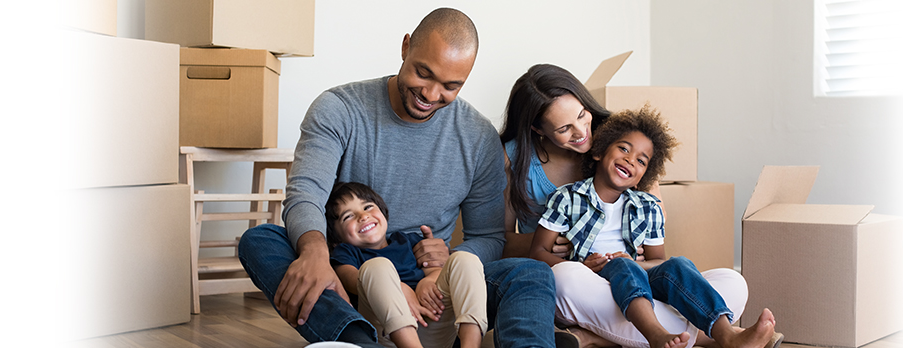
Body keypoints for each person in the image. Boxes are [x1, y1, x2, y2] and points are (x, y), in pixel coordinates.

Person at [237, 8, 565, 348]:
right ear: (406, 47)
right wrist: (316, 253)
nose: (432, 94)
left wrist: (444, 263)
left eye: (451, 86)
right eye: (424, 73)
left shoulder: (479, 137)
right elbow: (306, 192)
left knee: (531, 273)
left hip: (434, 294)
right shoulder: (339, 108)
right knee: (261, 241)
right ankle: (359, 338)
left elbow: (488, 236)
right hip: (354, 282)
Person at [498, 64, 756, 348]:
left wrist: (641, 259)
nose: (583, 131)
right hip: (581, 279)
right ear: (538, 129)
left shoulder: (620, 138)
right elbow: (506, 243)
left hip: (636, 278)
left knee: (732, 282)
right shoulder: (526, 167)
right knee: (566, 278)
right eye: (564, 128)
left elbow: (657, 248)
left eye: (582, 115)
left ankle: (595, 337)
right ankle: (704, 337)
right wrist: (564, 246)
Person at [528, 107, 783, 348]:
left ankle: (726, 334)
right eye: (624, 149)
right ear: (599, 152)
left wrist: (634, 263)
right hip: (593, 285)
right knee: (566, 277)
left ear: (644, 176)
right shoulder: (568, 198)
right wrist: (582, 266)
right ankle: (658, 334)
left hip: (641, 284)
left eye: (641, 161)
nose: (630, 161)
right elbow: (538, 252)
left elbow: (657, 262)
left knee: (719, 277)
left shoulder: (648, 206)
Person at [326, 182, 486, 348]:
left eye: (367, 207)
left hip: (433, 320)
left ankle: (471, 345)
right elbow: (351, 280)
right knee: (376, 266)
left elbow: (435, 268)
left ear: (383, 211)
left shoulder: (406, 240)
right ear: (336, 237)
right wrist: (398, 287)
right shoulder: (345, 253)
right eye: (348, 216)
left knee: (465, 259)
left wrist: (429, 279)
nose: (363, 216)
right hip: (389, 331)